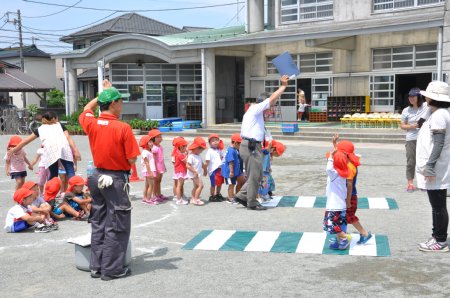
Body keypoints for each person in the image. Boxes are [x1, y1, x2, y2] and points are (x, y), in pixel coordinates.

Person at [79, 83, 140, 280]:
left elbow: (87, 109)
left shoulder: (92, 122)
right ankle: (112, 269)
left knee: (99, 221)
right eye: (120, 102)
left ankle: (96, 266)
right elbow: (132, 159)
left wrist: (101, 94)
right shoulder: (123, 127)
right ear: (113, 103)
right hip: (114, 179)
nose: (122, 105)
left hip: (96, 176)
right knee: (117, 223)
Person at [234, 75, 289, 210]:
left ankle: (242, 195)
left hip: (253, 146)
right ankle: (251, 202)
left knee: (257, 175)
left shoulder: (256, 113)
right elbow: (271, 98)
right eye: (271, 106)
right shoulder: (255, 108)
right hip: (250, 146)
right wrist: (283, 86)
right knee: (254, 175)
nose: (271, 108)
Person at [415, 81, 450, 252]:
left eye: (427, 95)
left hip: (435, 168)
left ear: (433, 97)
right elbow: (421, 122)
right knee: (437, 205)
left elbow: (438, 143)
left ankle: (441, 240)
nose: (424, 97)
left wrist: (429, 166)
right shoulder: (437, 113)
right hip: (435, 166)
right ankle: (437, 236)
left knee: (438, 206)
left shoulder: (439, 116)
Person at [8, 111, 81, 180]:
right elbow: (68, 137)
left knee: (53, 174)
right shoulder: (60, 125)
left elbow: (25, 141)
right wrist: (76, 151)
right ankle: (74, 190)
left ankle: (50, 192)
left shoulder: (40, 129)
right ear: (54, 119)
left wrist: (14, 149)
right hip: (64, 148)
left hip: (50, 150)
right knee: (70, 172)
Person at [333, 136, 372, 245]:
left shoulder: (350, 166)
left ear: (345, 154)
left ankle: (364, 233)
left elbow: (349, 185)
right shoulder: (349, 161)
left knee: (349, 217)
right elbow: (339, 152)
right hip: (348, 195)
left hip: (350, 196)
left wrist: (348, 201)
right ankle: (341, 237)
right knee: (343, 217)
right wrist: (334, 143)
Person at [400, 87, 430, 192]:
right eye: (409, 96)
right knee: (411, 161)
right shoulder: (406, 110)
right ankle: (410, 183)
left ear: (419, 97)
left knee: (424, 161)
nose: (411, 98)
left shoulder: (426, 106)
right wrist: (411, 126)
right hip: (411, 139)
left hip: (424, 138)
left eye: (413, 96)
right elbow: (402, 126)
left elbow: (431, 100)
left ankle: (424, 183)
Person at [324, 150, 354, 250]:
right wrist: (335, 147)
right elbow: (339, 157)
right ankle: (339, 241)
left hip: (334, 206)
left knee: (330, 224)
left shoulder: (334, 174)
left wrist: (331, 155)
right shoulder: (342, 174)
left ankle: (345, 238)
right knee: (338, 225)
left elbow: (329, 168)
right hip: (340, 205)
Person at [148, 129, 168, 202]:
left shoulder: (159, 146)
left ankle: (158, 194)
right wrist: (154, 168)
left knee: (159, 181)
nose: (160, 138)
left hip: (160, 166)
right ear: (152, 139)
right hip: (156, 168)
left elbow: (161, 157)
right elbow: (152, 159)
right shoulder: (154, 148)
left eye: (160, 136)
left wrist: (163, 166)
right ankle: (154, 195)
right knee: (155, 181)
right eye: (158, 137)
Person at [221, 133, 242, 203]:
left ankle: (232, 196)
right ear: (235, 143)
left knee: (233, 183)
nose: (241, 146)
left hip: (233, 172)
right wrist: (232, 171)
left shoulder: (234, 149)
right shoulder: (231, 151)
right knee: (231, 185)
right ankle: (230, 198)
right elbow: (230, 162)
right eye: (240, 144)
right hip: (229, 172)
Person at [186, 137, 207, 206]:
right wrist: (194, 171)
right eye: (200, 149)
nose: (201, 151)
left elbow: (202, 164)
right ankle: (196, 199)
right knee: (201, 185)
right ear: (196, 148)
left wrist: (205, 169)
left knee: (195, 186)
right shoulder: (191, 156)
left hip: (197, 174)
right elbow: (188, 165)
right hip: (194, 174)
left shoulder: (198, 156)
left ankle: (193, 198)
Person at [205, 134, 225, 202]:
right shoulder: (209, 151)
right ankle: (212, 195)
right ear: (209, 143)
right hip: (213, 170)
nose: (215, 142)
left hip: (220, 169)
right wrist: (205, 169)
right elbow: (207, 161)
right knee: (213, 184)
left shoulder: (219, 150)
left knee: (220, 183)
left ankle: (218, 194)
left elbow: (222, 157)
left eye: (217, 140)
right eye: (213, 141)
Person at [139, 135, 158, 205]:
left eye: (152, 142)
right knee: (151, 185)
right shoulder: (145, 152)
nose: (152, 143)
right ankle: (148, 199)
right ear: (145, 143)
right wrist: (150, 172)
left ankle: (145, 197)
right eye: (149, 142)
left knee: (147, 185)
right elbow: (146, 163)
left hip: (149, 170)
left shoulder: (149, 151)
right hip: (148, 170)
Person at [173, 138, 189, 205]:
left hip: (179, 171)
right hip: (181, 171)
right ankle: (179, 199)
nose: (186, 148)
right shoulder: (180, 155)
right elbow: (187, 161)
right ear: (181, 147)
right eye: (185, 146)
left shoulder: (178, 152)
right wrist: (188, 154)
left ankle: (180, 197)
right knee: (179, 185)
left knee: (180, 185)